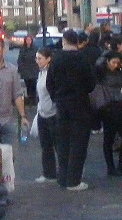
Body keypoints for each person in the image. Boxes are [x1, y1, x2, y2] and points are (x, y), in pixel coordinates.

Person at [46, 29, 96, 191]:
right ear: (77, 42)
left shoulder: (56, 59)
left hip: (62, 105)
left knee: (63, 142)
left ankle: (63, 177)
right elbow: (90, 84)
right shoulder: (83, 58)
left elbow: (49, 83)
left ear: (64, 41)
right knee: (79, 143)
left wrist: (57, 97)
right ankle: (74, 180)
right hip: (80, 105)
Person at [98, 51, 122, 177]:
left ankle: (121, 165)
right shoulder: (102, 73)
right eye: (113, 62)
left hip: (118, 105)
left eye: (118, 62)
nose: (116, 65)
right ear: (107, 62)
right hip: (107, 107)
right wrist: (105, 57)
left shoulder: (119, 71)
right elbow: (97, 66)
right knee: (109, 137)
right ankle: (111, 167)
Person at [33, 47, 59, 183]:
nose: (37, 61)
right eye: (36, 58)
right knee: (45, 146)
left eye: (40, 58)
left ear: (48, 59)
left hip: (53, 113)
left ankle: (62, 171)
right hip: (42, 113)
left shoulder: (52, 73)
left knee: (57, 145)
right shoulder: (41, 73)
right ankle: (49, 173)